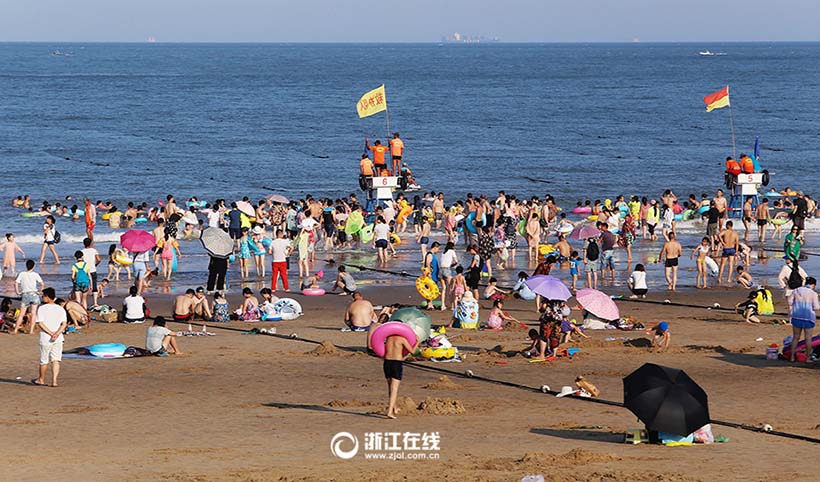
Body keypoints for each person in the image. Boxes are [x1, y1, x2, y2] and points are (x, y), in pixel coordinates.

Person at [32, 288, 67, 386]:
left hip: (46, 337)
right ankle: (54, 381)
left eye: (43, 296)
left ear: (47, 297)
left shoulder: (42, 308)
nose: (42, 298)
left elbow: (40, 323)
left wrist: (51, 333)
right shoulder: (60, 309)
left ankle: (41, 379)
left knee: (44, 360)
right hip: (58, 337)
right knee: (56, 360)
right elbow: (64, 324)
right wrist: (56, 333)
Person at [383, 331, 419, 419]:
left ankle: (394, 408)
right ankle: (390, 412)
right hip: (396, 363)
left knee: (390, 387)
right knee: (394, 388)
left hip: (387, 362)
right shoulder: (402, 339)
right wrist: (417, 342)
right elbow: (413, 351)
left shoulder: (388, 339)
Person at [788, 277, 818, 363]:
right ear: (813, 285)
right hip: (808, 317)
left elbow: (790, 302)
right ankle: (807, 358)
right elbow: (816, 307)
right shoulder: (813, 293)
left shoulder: (796, 290)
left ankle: (792, 357)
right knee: (808, 338)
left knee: (796, 337)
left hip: (796, 315)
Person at [12, 259, 44, 334]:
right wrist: (39, 291)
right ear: (33, 266)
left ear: (26, 266)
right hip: (34, 294)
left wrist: (17, 291)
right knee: (33, 313)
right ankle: (31, 330)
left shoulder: (22, 274)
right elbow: (42, 284)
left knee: (21, 314)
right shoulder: (35, 274)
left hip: (25, 294)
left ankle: (16, 330)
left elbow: (16, 283)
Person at [80, 237, 101, 307]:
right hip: (93, 269)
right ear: (90, 243)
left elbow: (81, 261)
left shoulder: (82, 251)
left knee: (84, 286)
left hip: (85, 271)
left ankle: (83, 302)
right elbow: (99, 259)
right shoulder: (94, 250)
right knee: (94, 286)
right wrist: (95, 265)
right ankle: (95, 302)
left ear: (84, 244)